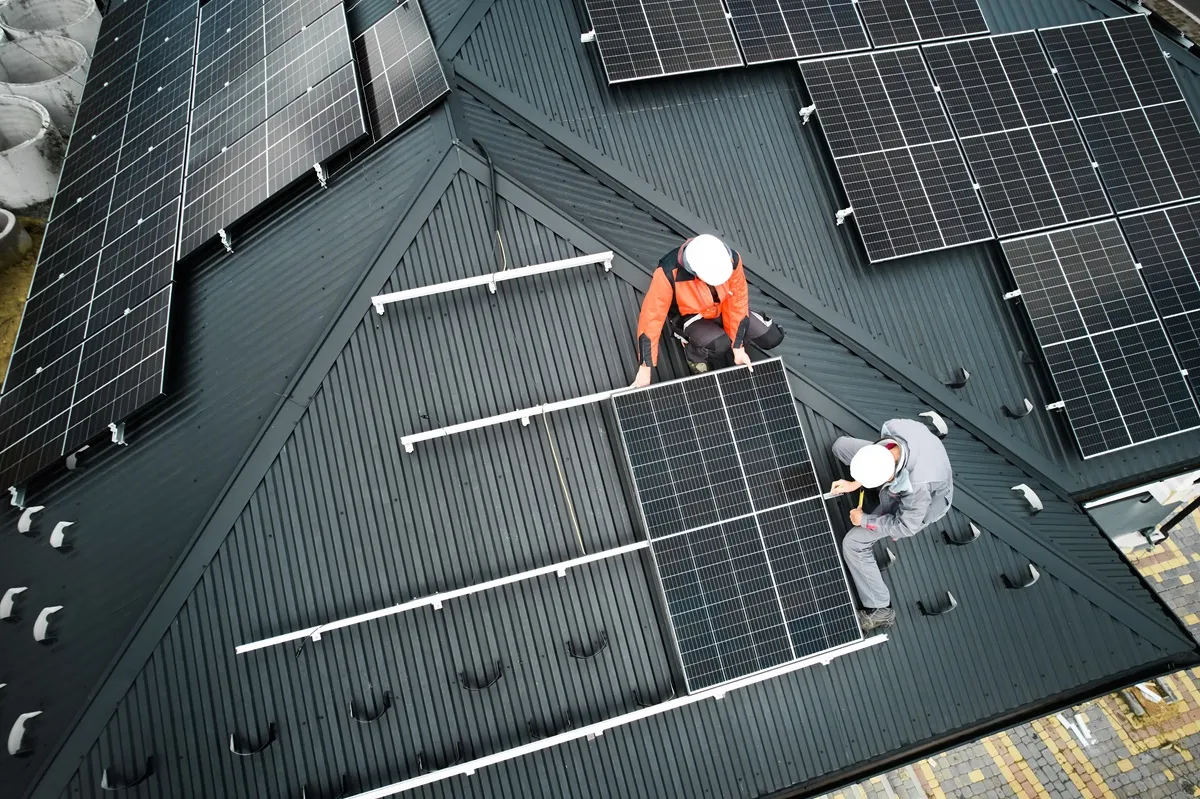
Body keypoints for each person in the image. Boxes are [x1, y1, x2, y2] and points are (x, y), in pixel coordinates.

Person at [828, 419, 953, 632]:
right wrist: (856, 482)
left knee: (854, 543)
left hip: (920, 507)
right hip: (899, 466)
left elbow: (906, 526)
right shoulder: (894, 428)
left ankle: (880, 609)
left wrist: (865, 520)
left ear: (889, 477)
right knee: (841, 447)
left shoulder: (917, 487)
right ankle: (870, 482)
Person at [632, 234, 783, 387]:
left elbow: (737, 301)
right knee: (719, 345)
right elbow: (651, 318)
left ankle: (730, 334)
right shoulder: (668, 273)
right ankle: (693, 352)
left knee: (772, 337)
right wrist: (645, 367)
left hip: (722, 308)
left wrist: (738, 347)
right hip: (692, 317)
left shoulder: (731, 260)